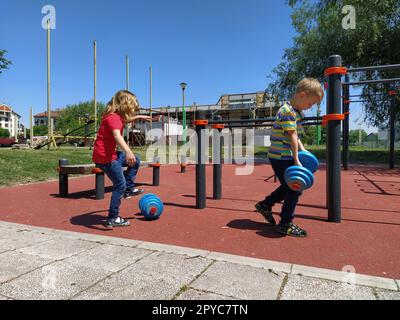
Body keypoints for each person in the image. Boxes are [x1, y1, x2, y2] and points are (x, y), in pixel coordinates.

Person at [255, 78, 324, 237]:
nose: (310, 107)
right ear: (302, 95)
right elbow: (292, 136)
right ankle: (285, 224)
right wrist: (297, 160)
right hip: (280, 157)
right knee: (294, 188)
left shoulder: (295, 111)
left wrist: (303, 150)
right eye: (310, 103)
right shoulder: (287, 111)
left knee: (289, 186)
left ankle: (265, 205)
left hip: (284, 156)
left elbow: (295, 135)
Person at [93, 90, 151, 228]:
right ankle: (113, 217)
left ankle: (129, 189)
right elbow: (116, 135)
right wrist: (128, 151)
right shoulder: (114, 119)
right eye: (133, 108)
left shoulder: (114, 116)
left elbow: (125, 121)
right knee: (119, 185)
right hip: (106, 158)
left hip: (106, 155)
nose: (133, 111)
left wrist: (138, 117)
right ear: (125, 106)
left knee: (135, 160)